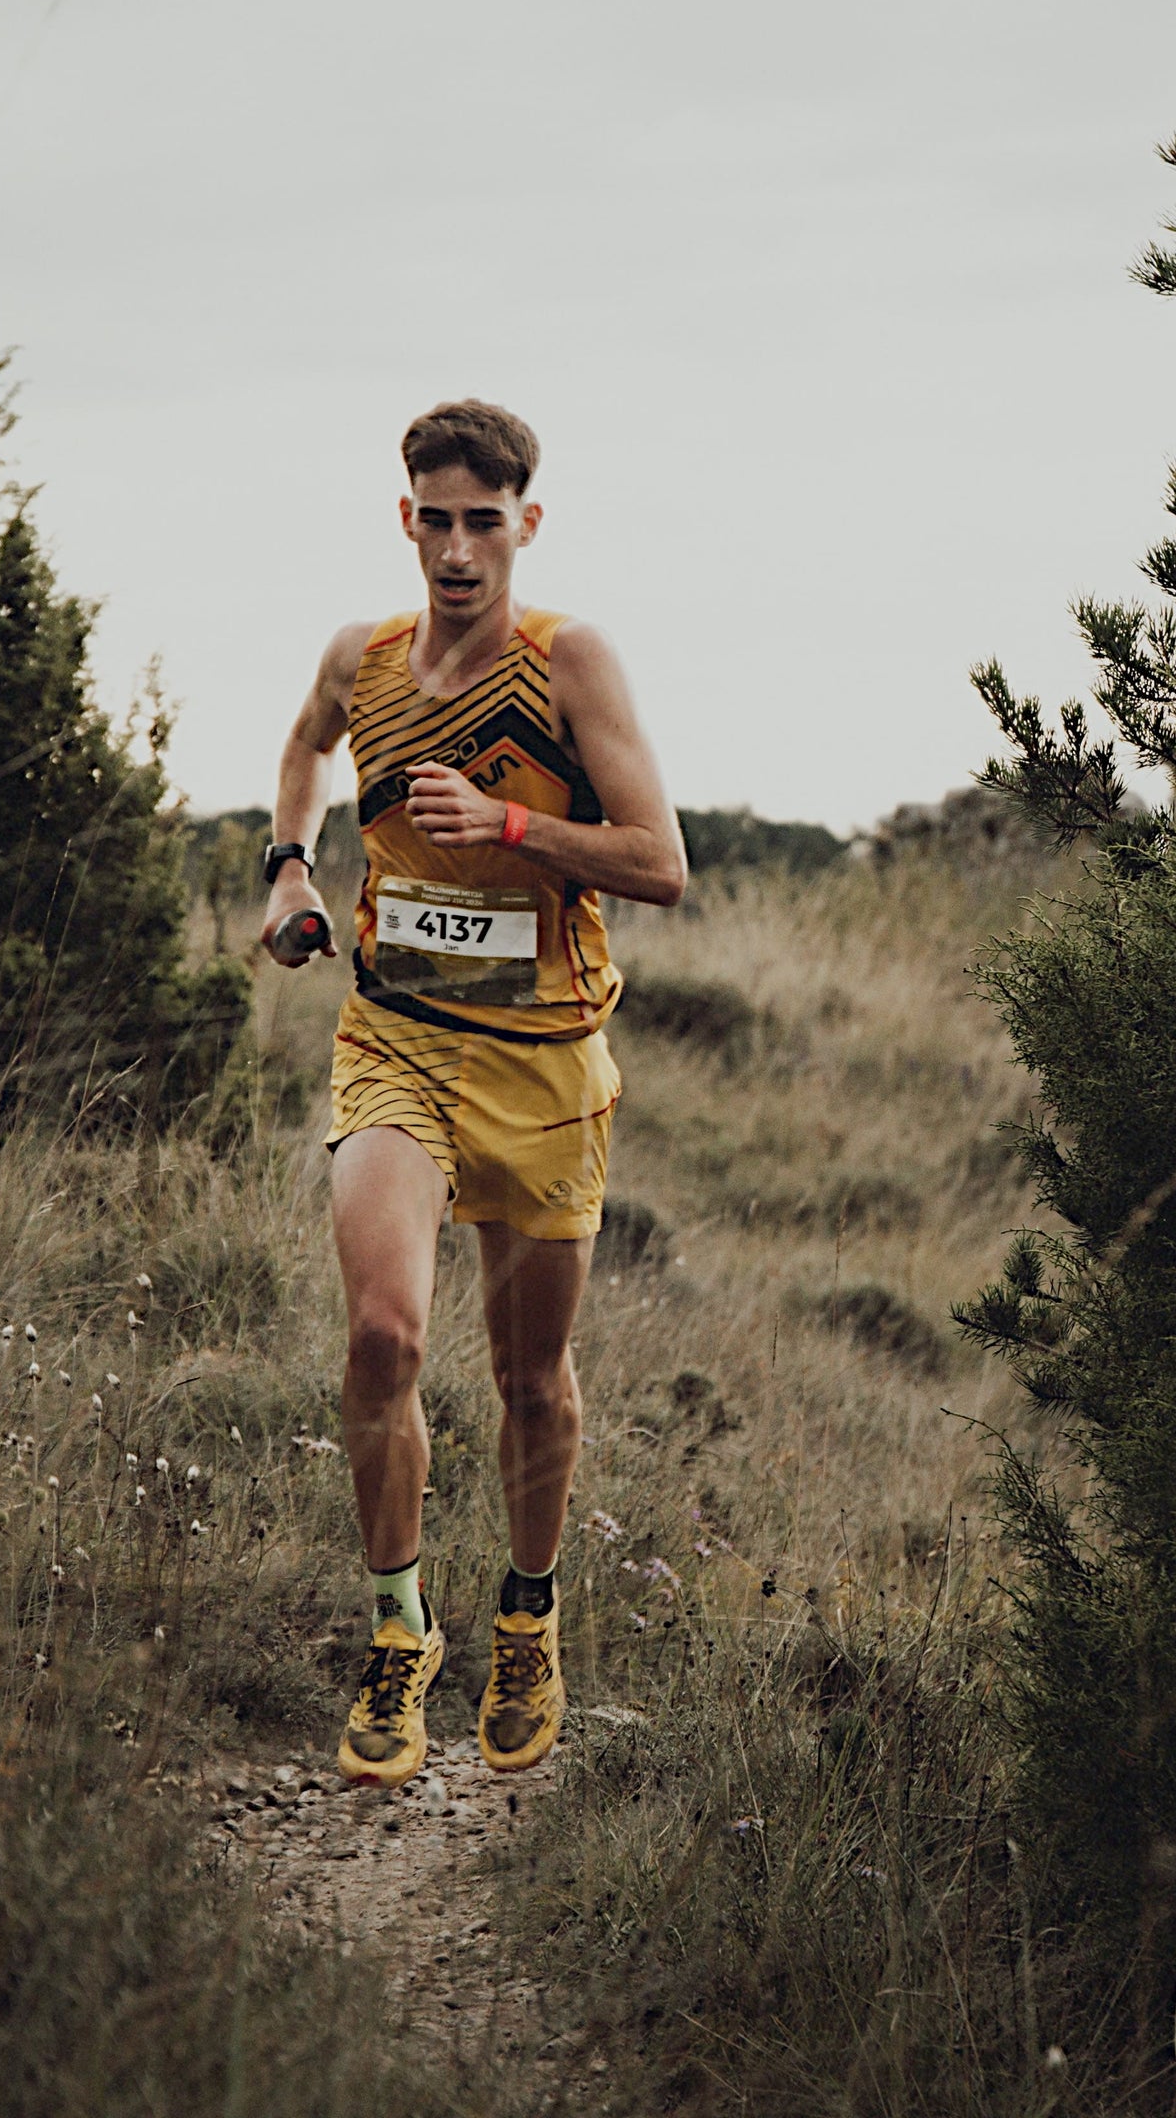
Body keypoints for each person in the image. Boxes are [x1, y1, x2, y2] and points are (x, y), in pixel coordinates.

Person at [260, 398, 687, 1786]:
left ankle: (528, 1614)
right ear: (406, 519)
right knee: (383, 1337)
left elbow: (658, 863)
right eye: (434, 520)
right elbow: (309, 748)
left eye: (483, 523)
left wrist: (508, 826)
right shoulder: (364, 661)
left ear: (526, 525)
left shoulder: (570, 668)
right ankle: (398, 1637)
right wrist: (286, 869)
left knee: (527, 1380)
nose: (456, 550)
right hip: (395, 1041)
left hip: (547, 1064)